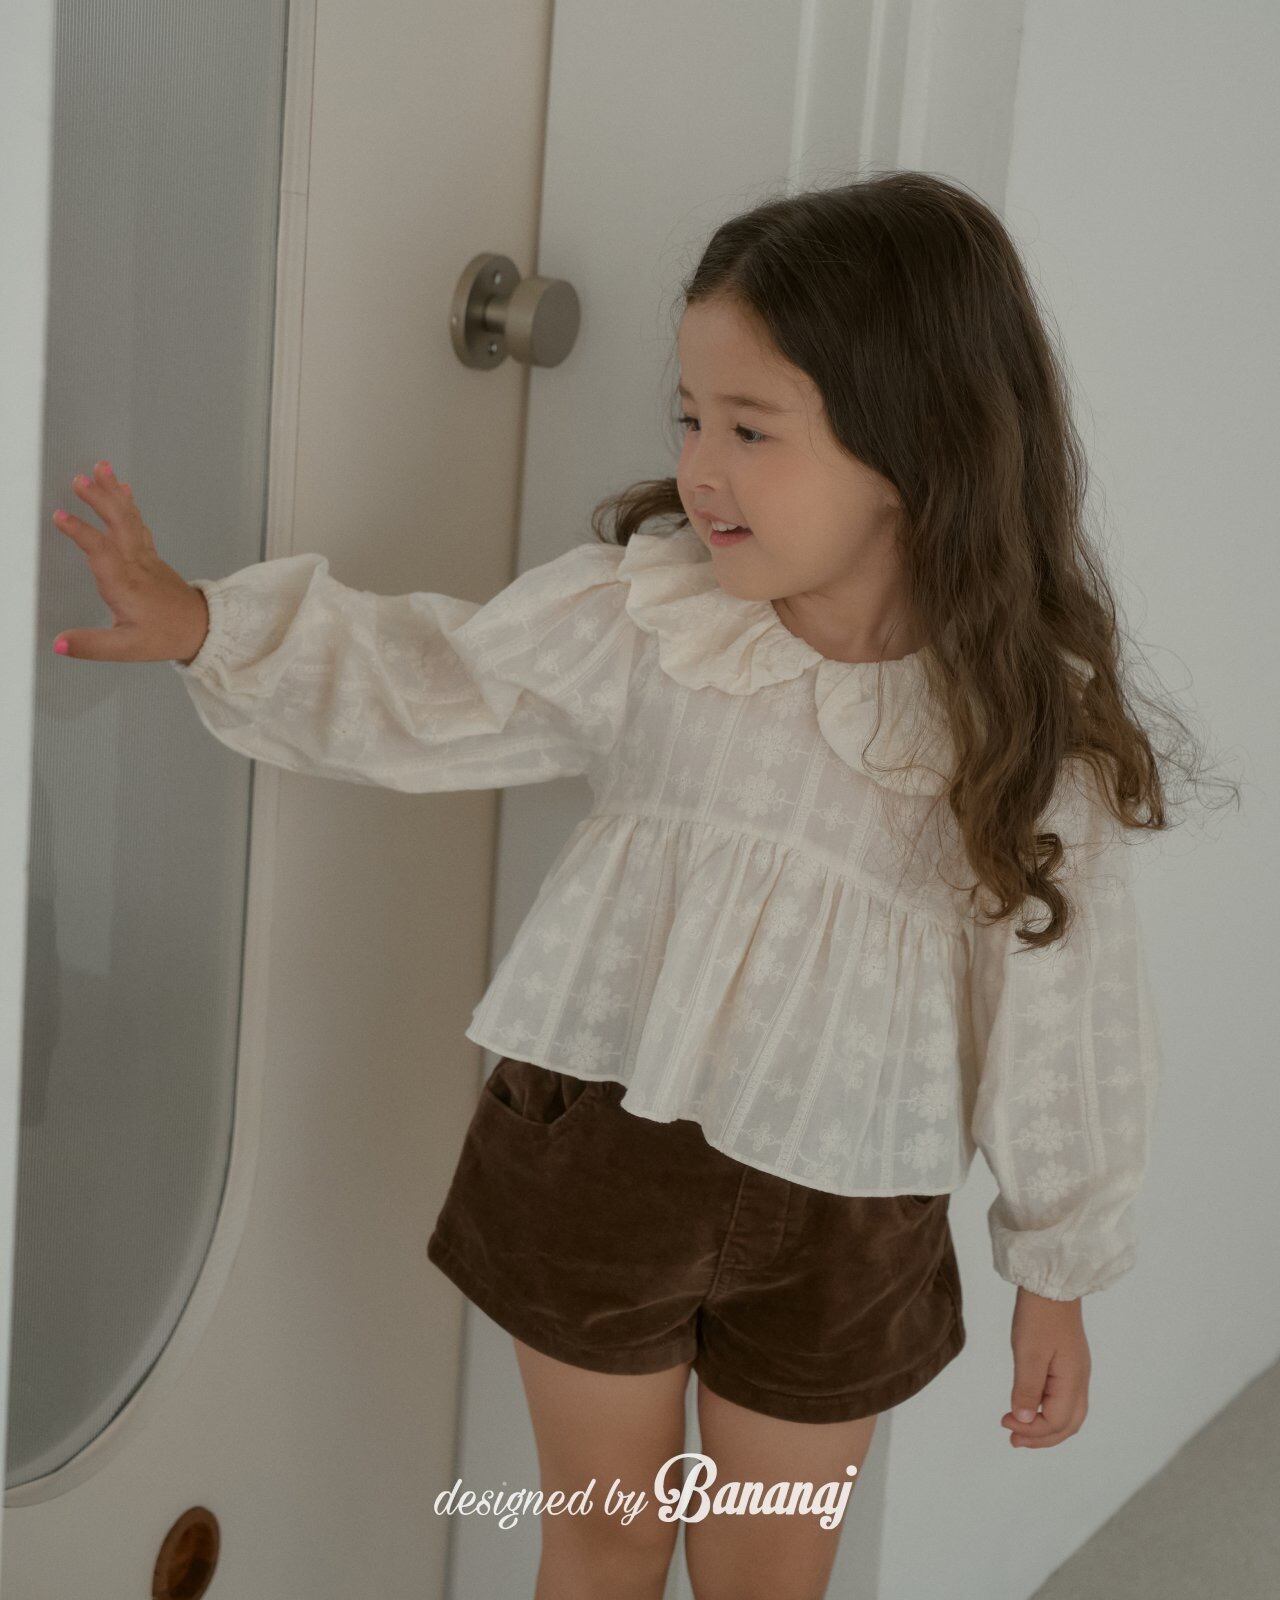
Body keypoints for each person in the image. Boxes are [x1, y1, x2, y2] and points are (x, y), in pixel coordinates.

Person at [48, 171, 1206, 1600]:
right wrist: (203, 626)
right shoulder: (654, 620)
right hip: (601, 1154)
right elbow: (433, 684)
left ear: (916, 442)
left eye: (750, 429)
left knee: (771, 1571)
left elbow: (1070, 1023)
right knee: (601, 1539)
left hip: (849, 1207)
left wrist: (1057, 1269)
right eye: (689, 417)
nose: (701, 467)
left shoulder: (1018, 738)